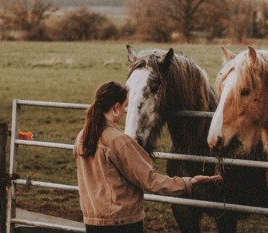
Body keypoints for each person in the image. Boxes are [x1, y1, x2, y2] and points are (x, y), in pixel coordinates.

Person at [74, 81, 222, 233]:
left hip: (93, 220)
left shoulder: (82, 137)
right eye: (126, 106)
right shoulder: (118, 141)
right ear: (116, 107)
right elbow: (150, 181)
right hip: (122, 222)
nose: (126, 111)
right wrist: (188, 183)